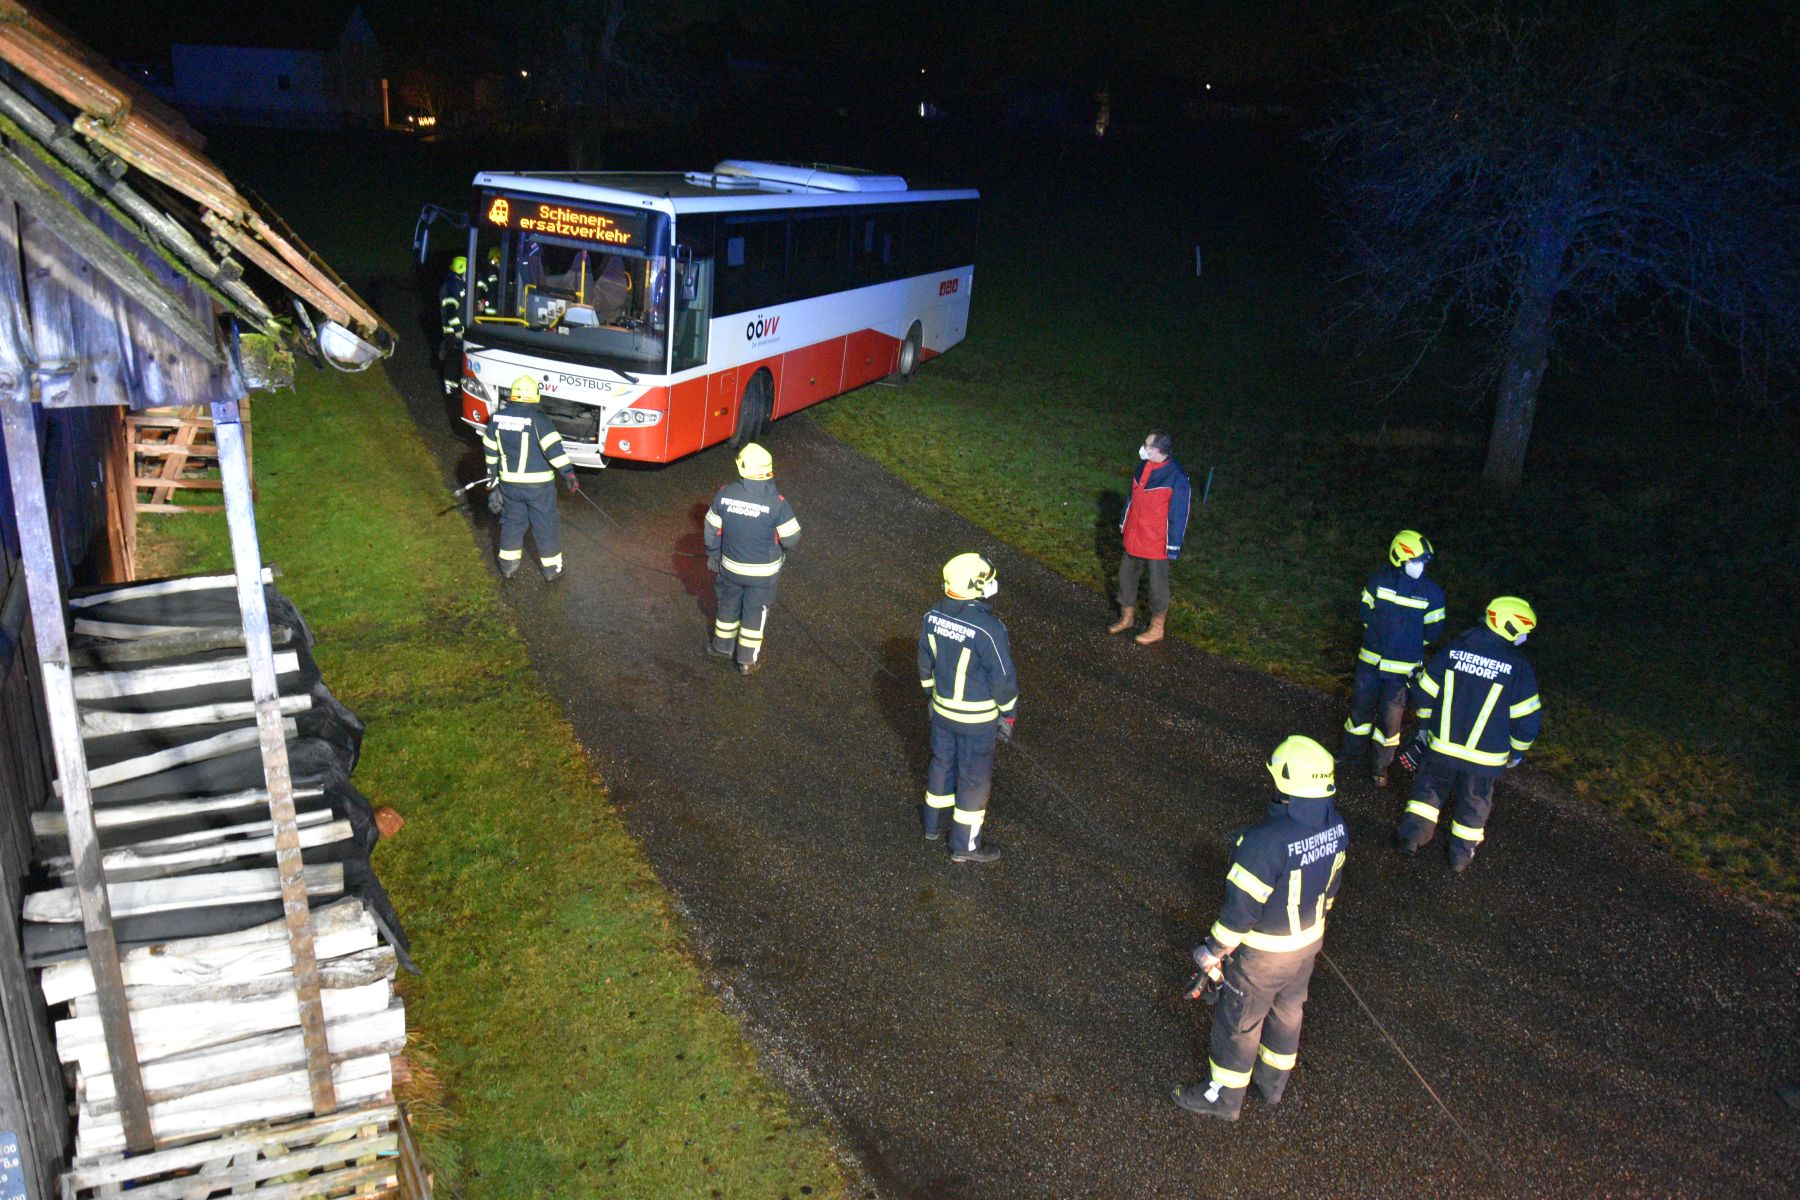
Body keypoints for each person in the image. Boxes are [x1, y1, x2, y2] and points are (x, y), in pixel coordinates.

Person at [1172, 735, 1347, 1122]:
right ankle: (1272, 1084)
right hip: (1308, 944)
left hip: (1262, 957)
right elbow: (1331, 886)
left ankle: (1224, 1098)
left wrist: (1212, 950)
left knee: (1240, 1023)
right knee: (1288, 1012)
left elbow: (1240, 913)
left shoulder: (1262, 842)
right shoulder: (1337, 827)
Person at [1394, 596, 1542, 872]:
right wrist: (1517, 751)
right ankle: (1460, 859)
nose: (1523, 637)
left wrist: (1425, 728)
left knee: (1429, 791)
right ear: (1509, 626)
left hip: (1442, 745)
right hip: (1486, 758)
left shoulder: (1456, 649)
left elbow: (1424, 691)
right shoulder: (1518, 666)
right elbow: (1526, 718)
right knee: (1474, 805)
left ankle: (1411, 840)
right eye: (1522, 630)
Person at [918, 553, 1019, 863]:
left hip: (942, 712)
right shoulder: (989, 628)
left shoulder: (931, 615)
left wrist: (932, 698)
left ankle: (932, 826)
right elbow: (1003, 679)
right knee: (973, 781)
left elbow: (925, 663)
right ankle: (964, 847)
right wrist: (1009, 713)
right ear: (975, 585)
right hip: (977, 721)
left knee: (941, 764)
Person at [1340, 530, 1446, 787]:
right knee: (1359, 715)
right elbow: (1365, 614)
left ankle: (1380, 768)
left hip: (1400, 675)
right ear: (1400, 558)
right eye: (1415, 561)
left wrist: (1404, 647)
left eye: (1422, 562)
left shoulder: (1432, 593)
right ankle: (1349, 757)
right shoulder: (1378, 582)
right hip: (1370, 665)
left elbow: (1433, 631)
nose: (1419, 567)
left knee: (1390, 724)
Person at [704, 443, 801, 675]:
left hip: (729, 570)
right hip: (762, 576)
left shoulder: (725, 493)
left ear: (742, 467)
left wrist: (713, 555)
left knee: (727, 606)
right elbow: (791, 538)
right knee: (754, 613)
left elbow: (711, 530)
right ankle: (746, 661)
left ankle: (721, 648)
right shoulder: (778, 503)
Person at [481, 376, 578, 581]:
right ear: (535, 396)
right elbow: (554, 450)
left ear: (512, 396)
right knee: (546, 524)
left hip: (510, 484)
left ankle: (507, 566)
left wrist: (491, 478)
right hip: (538, 487)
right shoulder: (539, 420)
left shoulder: (497, 418)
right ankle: (552, 570)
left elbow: (490, 451)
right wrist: (568, 474)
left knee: (513, 522)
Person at [1108, 430, 1191, 645]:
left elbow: (1179, 514)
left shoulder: (1176, 477)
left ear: (1160, 451)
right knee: (1126, 577)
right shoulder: (1142, 467)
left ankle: (1157, 628)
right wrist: (1124, 522)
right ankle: (1126, 618)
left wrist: (1173, 546)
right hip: (1135, 536)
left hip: (1157, 542)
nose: (1143, 448)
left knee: (1157, 586)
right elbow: (1132, 497)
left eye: (1148, 446)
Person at [438, 255, 468, 396]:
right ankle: (450, 389)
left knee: (457, 362)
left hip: (457, 333)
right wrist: (457, 331)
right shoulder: (452, 286)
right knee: (453, 362)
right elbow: (451, 311)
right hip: (453, 334)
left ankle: (454, 389)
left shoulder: (456, 284)